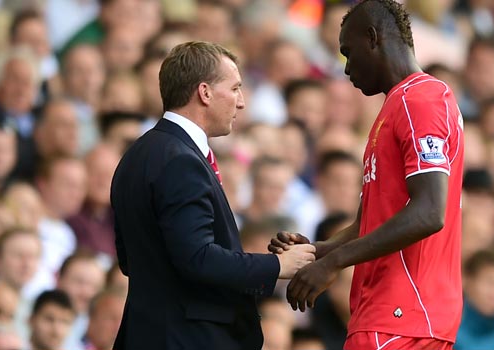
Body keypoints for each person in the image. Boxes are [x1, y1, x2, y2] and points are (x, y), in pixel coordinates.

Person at [269, 0, 465, 349]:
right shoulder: (395, 106)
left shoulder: (420, 101)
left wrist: (337, 263)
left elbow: (429, 212)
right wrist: (321, 252)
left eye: (348, 51)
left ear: (372, 37)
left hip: (402, 314)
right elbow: (373, 222)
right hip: (391, 314)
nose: (346, 68)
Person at [110, 41, 316, 350]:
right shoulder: (181, 161)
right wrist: (277, 266)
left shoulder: (138, 154)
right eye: (234, 89)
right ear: (205, 93)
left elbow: (130, 260)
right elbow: (197, 257)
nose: (242, 102)